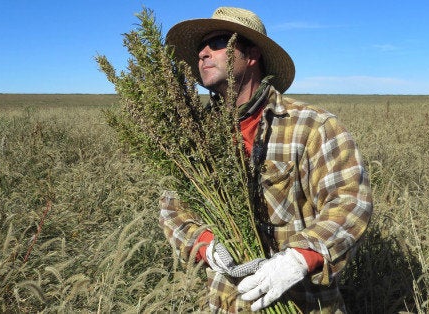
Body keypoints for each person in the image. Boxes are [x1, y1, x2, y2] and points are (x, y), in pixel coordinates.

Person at [159, 7, 373, 313]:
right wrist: (205, 244)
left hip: (304, 303)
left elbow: (351, 202)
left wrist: (299, 258)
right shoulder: (194, 137)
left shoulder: (312, 126)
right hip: (227, 303)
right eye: (200, 48)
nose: (203, 53)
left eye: (218, 42)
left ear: (252, 55)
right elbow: (171, 209)